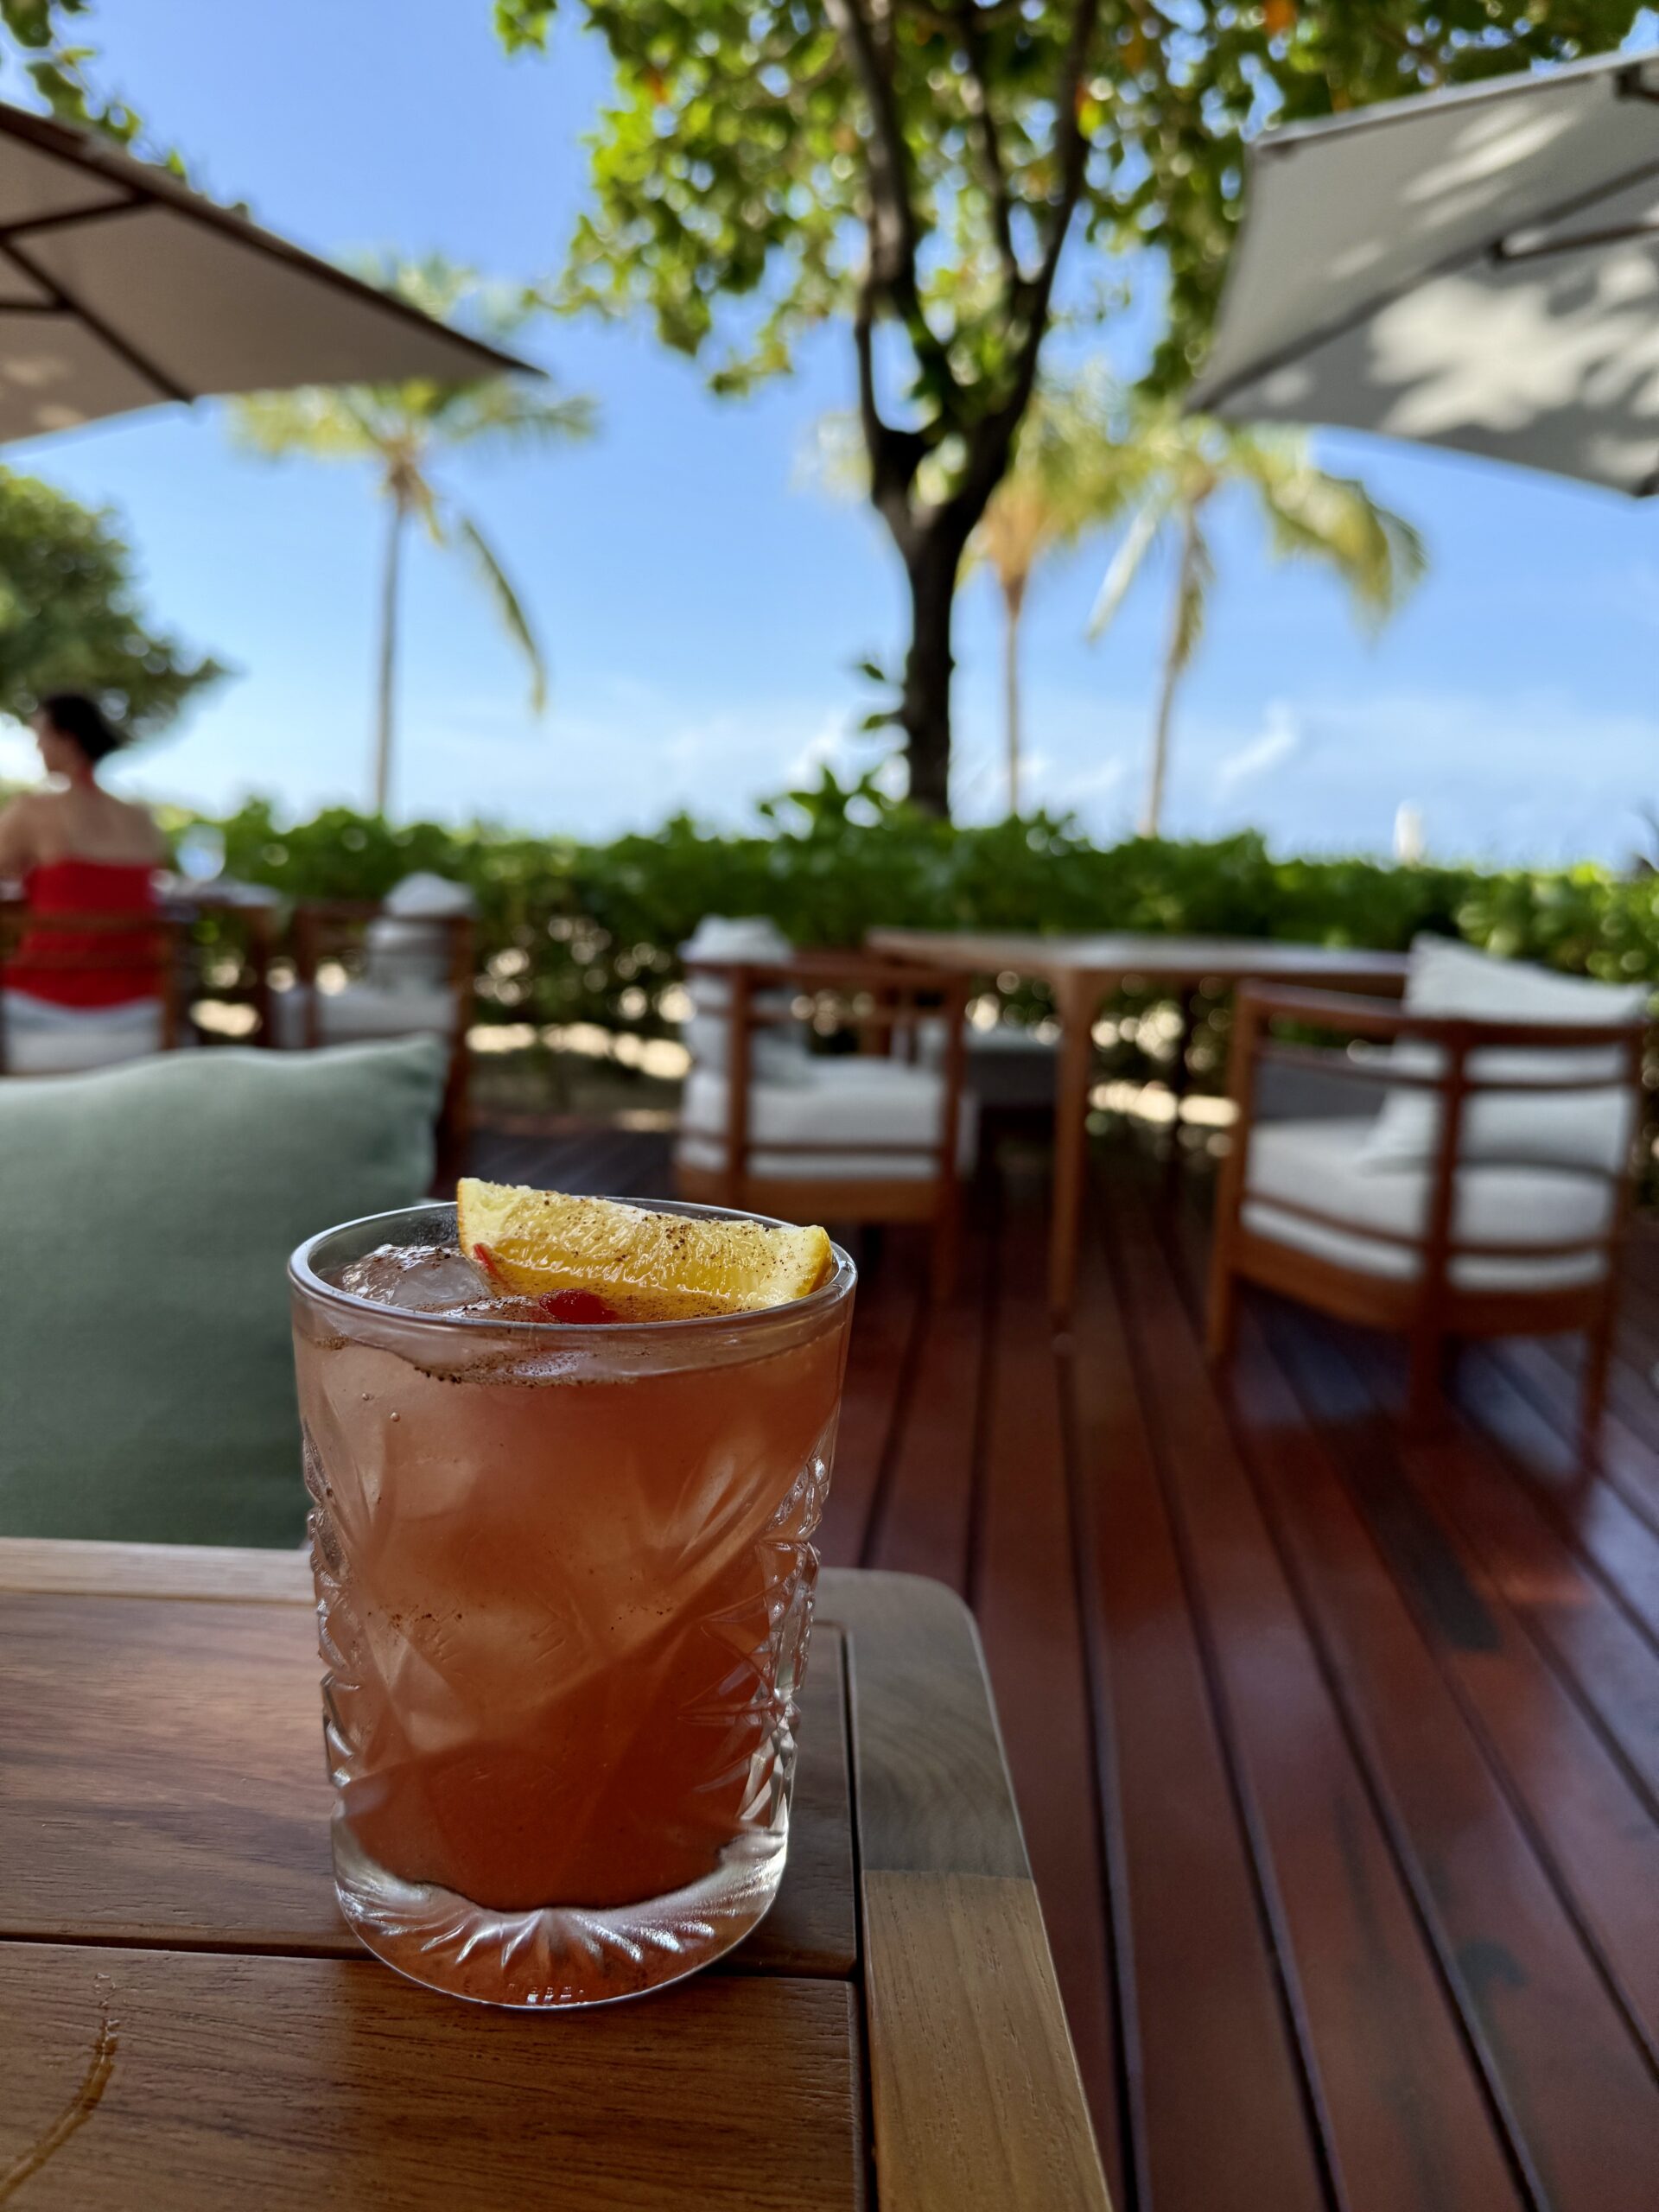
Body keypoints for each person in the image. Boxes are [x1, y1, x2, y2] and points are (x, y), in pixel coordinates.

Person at [0, 693, 166, 1017]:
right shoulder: (141, 817)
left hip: (47, 1004)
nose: (37, 749)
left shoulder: (32, 811)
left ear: (68, 739)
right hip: (142, 1007)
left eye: (40, 737)